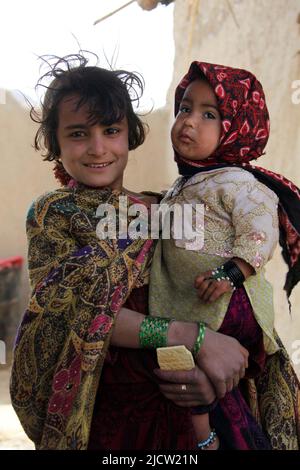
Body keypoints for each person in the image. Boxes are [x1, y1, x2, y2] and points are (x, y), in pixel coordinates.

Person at [9, 54, 248, 450]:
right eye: (78, 134)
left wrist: (207, 378)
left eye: (111, 129)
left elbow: (204, 291)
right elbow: (79, 310)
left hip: (179, 403)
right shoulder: (55, 214)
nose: (97, 148)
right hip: (106, 408)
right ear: (55, 142)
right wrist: (195, 338)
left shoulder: (162, 210)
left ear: (130, 134)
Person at [149, 61, 300, 450]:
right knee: (194, 384)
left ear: (235, 129)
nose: (189, 121)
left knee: (205, 384)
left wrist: (232, 273)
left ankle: (214, 440)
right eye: (185, 107)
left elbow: (260, 229)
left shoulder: (237, 182)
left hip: (230, 304)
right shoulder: (188, 181)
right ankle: (208, 437)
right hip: (200, 309)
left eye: (209, 114)